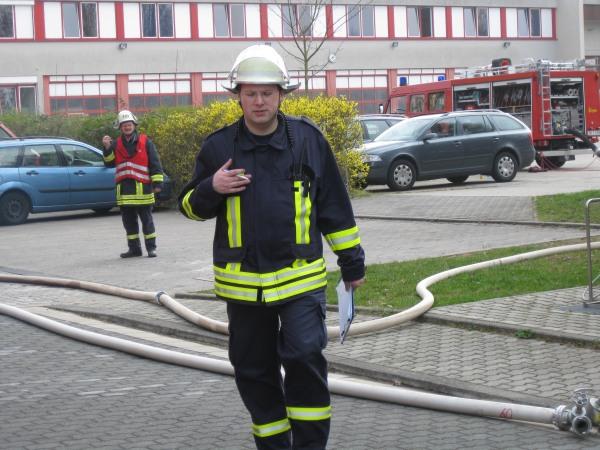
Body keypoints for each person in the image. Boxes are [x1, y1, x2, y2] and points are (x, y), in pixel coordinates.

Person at [178, 44, 365, 450]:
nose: (259, 101)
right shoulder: (218, 148)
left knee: (304, 357)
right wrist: (212, 187)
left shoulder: (308, 141)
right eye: (250, 93)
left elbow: (333, 206)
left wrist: (352, 263)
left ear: (282, 94)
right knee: (253, 372)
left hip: (300, 283)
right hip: (244, 290)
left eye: (267, 92)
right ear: (237, 96)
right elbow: (189, 207)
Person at [102, 110, 164, 258]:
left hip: (143, 191)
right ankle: (134, 249)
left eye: (129, 124)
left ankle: (151, 248)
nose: (127, 127)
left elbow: (155, 163)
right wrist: (107, 147)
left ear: (134, 125)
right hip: (125, 192)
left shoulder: (146, 142)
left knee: (147, 221)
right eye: (124, 125)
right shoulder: (115, 144)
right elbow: (109, 163)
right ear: (120, 127)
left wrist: (157, 184)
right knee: (129, 223)